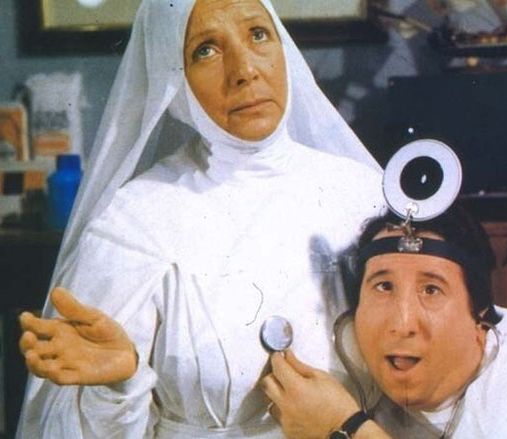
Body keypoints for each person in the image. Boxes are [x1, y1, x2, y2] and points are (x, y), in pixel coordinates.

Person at [16, 0, 384, 437]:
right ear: (174, 79)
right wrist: (118, 387)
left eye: (258, 34)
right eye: (205, 50)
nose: (244, 70)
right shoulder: (136, 220)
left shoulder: (364, 194)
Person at [262, 206, 507, 438]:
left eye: (431, 290)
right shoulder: (358, 374)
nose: (402, 324)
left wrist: (343, 427)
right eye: (384, 286)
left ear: (480, 313)